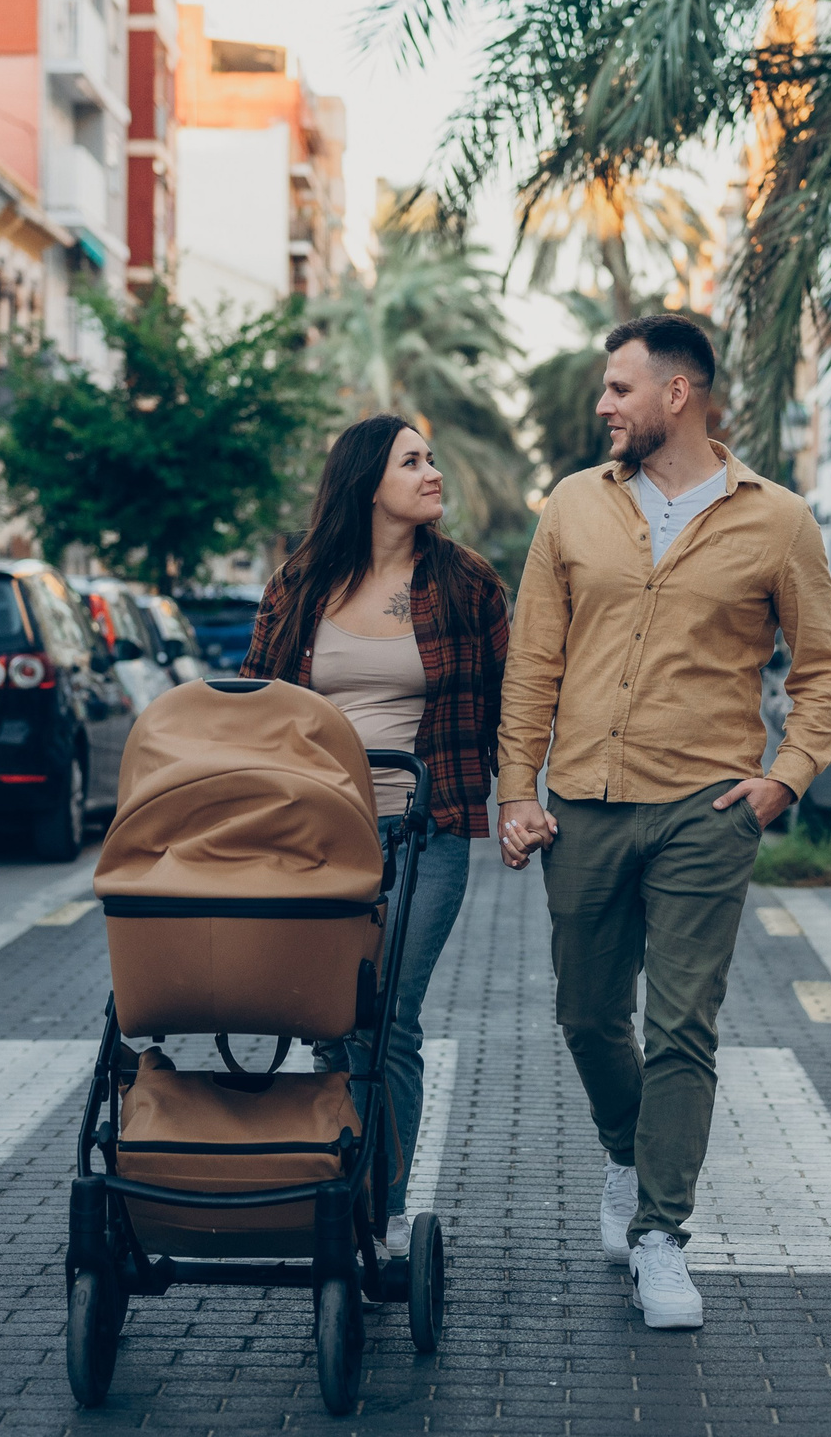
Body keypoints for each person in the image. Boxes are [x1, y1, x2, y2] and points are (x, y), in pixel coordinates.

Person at [497, 313, 831, 1330]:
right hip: (586, 804)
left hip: (707, 809)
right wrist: (517, 789)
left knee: (684, 1023)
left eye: (619, 387)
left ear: (676, 393)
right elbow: (534, 659)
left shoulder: (778, 519)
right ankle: (627, 1148)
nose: (603, 404)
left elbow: (822, 669)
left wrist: (785, 779)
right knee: (585, 1012)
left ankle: (661, 1233)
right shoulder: (573, 505)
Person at [241, 413, 511, 1256]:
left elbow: (513, 700)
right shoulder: (300, 584)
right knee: (332, 1021)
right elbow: (256, 700)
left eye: (431, 458)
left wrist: (522, 795)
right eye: (412, 461)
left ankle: (382, 1209)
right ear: (367, 482)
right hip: (316, 833)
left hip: (426, 828)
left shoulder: (466, 583)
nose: (433, 472)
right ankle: (337, 1180)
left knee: (387, 1016)